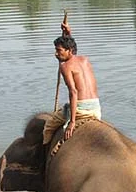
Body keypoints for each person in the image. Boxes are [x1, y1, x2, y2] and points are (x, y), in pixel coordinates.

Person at [42, 17, 101, 145]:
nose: (56, 54)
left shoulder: (65, 66)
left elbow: (73, 92)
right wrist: (68, 33)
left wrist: (72, 121)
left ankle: (43, 156)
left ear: (68, 51)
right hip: (96, 107)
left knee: (49, 126)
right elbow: (73, 49)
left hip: (81, 109)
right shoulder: (85, 60)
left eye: (59, 51)